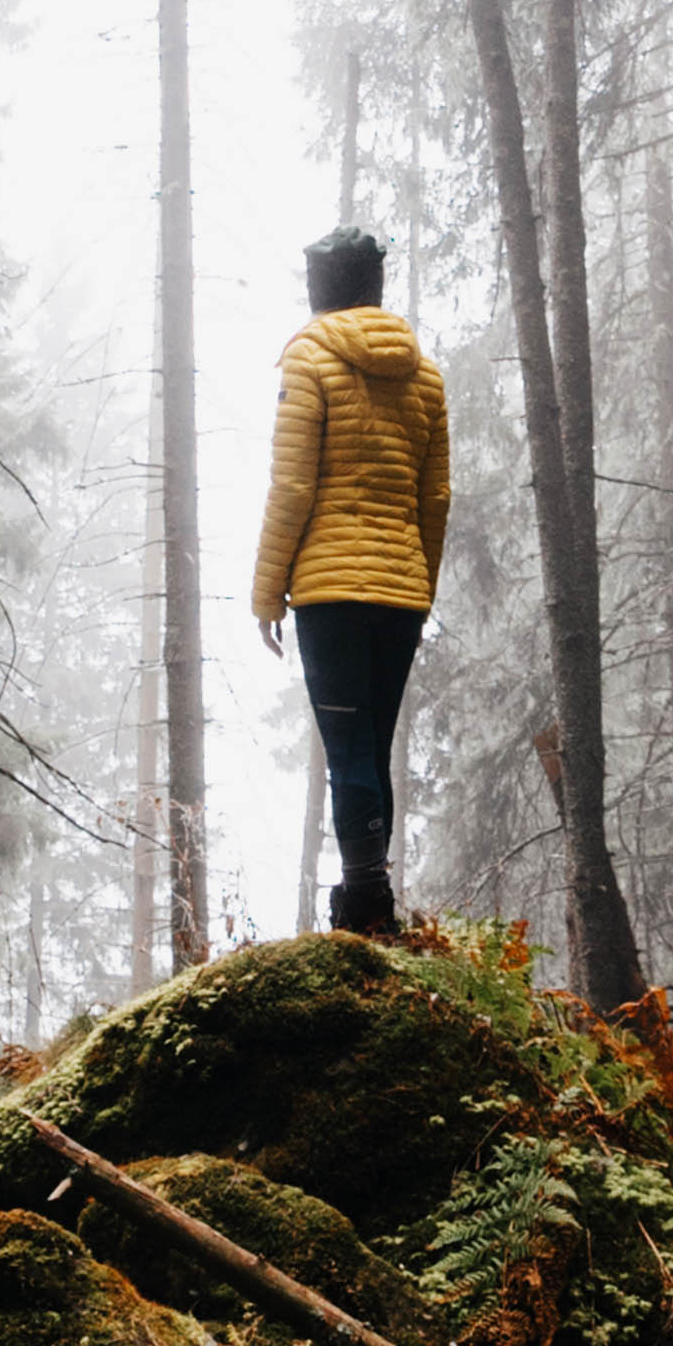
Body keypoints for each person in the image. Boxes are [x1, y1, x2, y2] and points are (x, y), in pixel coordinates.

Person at [252, 226, 450, 936]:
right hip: (399, 595)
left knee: (349, 752)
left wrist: (266, 590)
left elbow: (292, 488)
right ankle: (370, 898)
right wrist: (420, 585)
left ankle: (364, 905)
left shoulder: (309, 358)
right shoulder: (423, 375)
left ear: (322, 288)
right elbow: (435, 500)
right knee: (373, 743)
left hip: (330, 594)